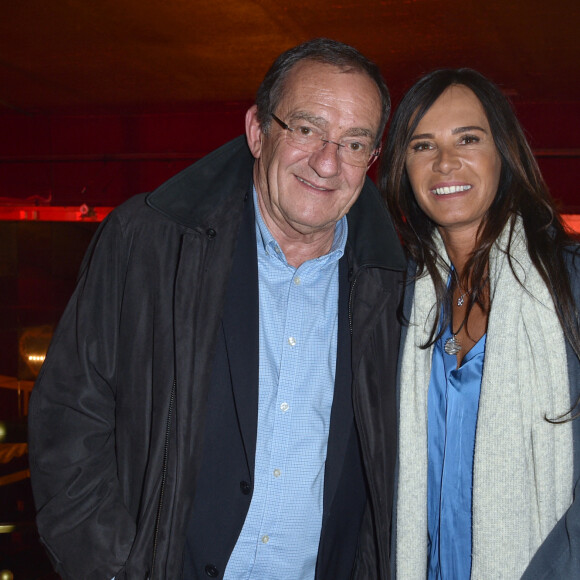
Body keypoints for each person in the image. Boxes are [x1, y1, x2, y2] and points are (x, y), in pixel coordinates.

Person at [28, 38, 406, 580]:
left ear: (371, 160)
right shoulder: (148, 242)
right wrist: (111, 569)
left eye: (353, 143)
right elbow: (69, 414)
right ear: (257, 131)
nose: (327, 162)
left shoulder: (399, 286)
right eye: (306, 129)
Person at [380, 67, 580, 579]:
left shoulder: (570, 284)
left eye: (468, 138)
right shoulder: (396, 299)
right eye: (422, 146)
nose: (446, 162)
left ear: (503, 152)